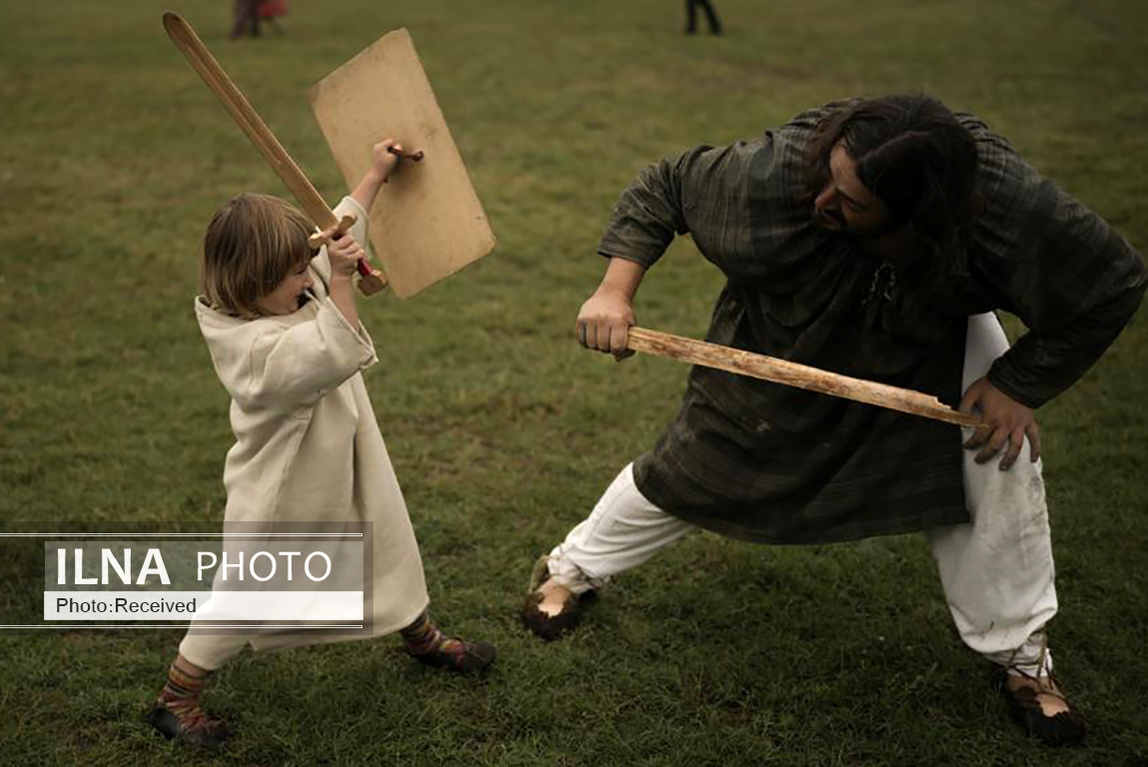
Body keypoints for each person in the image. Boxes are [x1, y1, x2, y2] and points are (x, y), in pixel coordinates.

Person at [521, 94, 1146, 746]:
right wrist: (614, 291)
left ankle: (1022, 657)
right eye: (829, 179)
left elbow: (1113, 282)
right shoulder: (785, 171)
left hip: (933, 330)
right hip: (792, 313)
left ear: (919, 220)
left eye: (850, 203)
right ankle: (573, 569)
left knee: (997, 463)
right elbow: (666, 185)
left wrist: (1018, 385)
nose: (822, 200)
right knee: (702, 455)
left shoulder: (1007, 206)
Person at [147, 139, 496, 747]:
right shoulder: (249, 350)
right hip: (287, 488)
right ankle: (177, 696)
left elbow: (337, 225)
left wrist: (375, 176)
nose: (303, 280)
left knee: (387, 536)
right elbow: (329, 352)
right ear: (251, 282)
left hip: (348, 454)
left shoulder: (274, 287)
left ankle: (421, 637)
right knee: (253, 587)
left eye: (303, 266)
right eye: (293, 276)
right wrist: (341, 281)